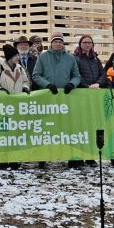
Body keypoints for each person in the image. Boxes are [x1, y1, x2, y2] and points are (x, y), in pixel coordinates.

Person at [32, 32, 81, 169]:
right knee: (46, 128)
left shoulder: (70, 58)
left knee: (66, 128)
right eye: (55, 41)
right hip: (48, 96)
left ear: (63, 43)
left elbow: (77, 76)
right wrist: (47, 85)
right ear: (51, 43)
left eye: (60, 41)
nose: (58, 44)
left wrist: (72, 84)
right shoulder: (43, 57)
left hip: (65, 98)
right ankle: (43, 157)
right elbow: (36, 75)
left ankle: (70, 155)